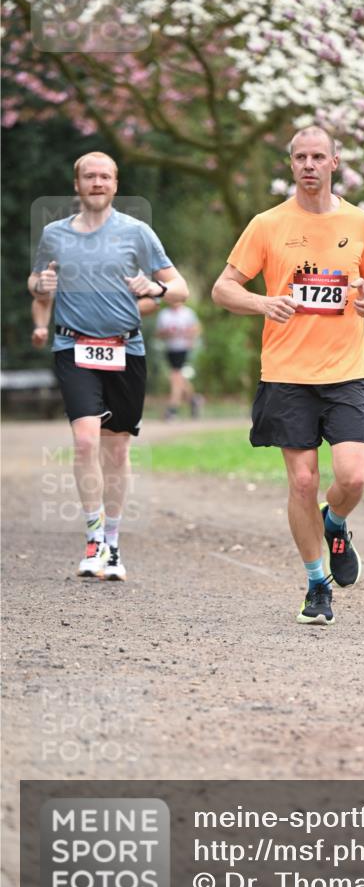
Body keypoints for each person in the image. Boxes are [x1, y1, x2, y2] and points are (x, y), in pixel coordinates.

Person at [212, 125, 364, 625]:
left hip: (348, 369)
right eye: (300, 158)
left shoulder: (361, 221)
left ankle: (336, 522)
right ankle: (317, 585)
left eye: (318, 157)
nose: (308, 165)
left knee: (352, 478)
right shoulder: (267, 224)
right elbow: (223, 289)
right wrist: (263, 302)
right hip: (288, 372)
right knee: (304, 482)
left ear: (335, 162)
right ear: (290, 164)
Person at [28, 151, 189, 581]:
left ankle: (113, 546)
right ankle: (94, 538)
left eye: (105, 176)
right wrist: (39, 284)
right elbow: (36, 281)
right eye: (89, 176)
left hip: (125, 350)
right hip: (74, 347)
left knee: (116, 449)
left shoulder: (137, 232)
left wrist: (153, 286)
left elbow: (180, 290)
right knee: (85, 441)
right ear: (77, 184)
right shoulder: (54, 234)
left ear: (115, 185)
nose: (97, 183)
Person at [155, 301, 203, 419]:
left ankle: (172, 408)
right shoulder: (164, 314)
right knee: (178, 377)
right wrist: (167, 332)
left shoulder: (188, 313)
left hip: (183, 349)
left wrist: (188, 335)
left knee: (175, 377)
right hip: (170, 349)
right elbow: (158, 334)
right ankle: (194, 400)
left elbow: (197, 329)